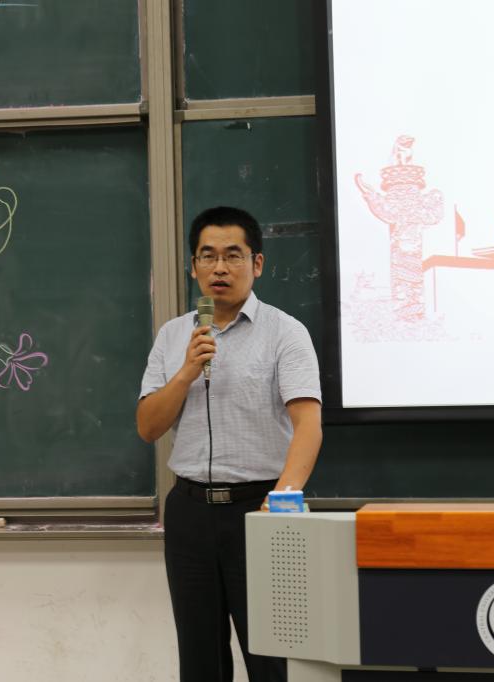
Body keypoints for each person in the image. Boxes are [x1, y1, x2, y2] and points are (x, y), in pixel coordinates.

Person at [137, 206, 323, 682]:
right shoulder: (174, 336)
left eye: (233, 255)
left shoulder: (285, 333)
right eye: (208, 256)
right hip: (190, 512)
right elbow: (148, 427)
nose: (219, 267)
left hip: (259, 507)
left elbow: (308, 425)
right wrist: (186, 372)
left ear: (256, 263)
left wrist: (281, 500)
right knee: (200, 658)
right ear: (193, 266)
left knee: (271, 657)